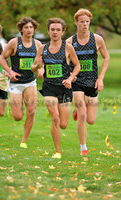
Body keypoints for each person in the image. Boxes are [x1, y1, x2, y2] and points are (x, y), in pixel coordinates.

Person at [31, 18, 80, 159]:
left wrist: (70, 79)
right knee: (55, 119)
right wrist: (37, 66)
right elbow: (33, 67)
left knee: (64, 124)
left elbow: (77, 66)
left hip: (64, 88)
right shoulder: (42, 49)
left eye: (58, 29)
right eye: (52, 29)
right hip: (49, 88)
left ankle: (71, 111)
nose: (55, 32)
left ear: (62, 32)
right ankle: (57, 151)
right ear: (48, 31)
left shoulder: (68, 48)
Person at [66, 9, 110, 155]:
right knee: (83, 116)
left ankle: (77, 111)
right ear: (76, 23)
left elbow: (106, 57)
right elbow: (63, 62)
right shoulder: (70, 42)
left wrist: (101, 78)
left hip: (92, 81)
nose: (85, 24)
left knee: (90, 120)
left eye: (87, 22)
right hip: (77, 81)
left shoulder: (97, 39)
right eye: (82, 22)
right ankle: (83, 147)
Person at [0, 17, 42, 148]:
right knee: (18, 116)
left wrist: (42, 69)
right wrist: (10, 72)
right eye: (26, 28)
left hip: (30, 82)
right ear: (21, 29)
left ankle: (24, 140)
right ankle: (14, 109)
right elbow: (2, 59)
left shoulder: (38, 44)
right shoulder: (14, 43)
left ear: (34, 29)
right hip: (16, 83)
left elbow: (42, 60)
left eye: (31, 27)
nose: (29, 30)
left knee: (31, 112)